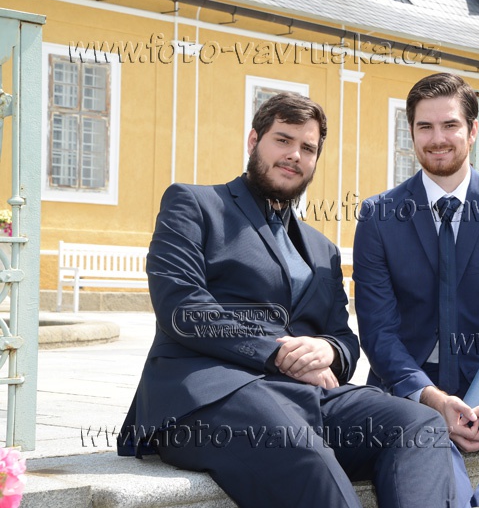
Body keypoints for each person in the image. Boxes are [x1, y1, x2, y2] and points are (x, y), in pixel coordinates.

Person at [117, 93, 457, 508]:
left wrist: (328, 350)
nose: (295, 155)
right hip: (207, 397)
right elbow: (183, 307)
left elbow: (344, 339)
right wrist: (276, 353)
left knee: (420, 424)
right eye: (282, 140)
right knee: (304, 453)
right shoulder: (194, 204)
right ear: (253, 141)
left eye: (308, 148)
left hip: (305, 397)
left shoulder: (323, 249)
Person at [353, 73, 479, 508]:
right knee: (422, 434)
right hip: (411, 386)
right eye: (425, 127)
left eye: (450, 125)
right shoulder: (378, 217)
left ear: (472, 130)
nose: (437, 138)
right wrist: (432, 398)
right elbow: (379, 333)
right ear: (411, 132)